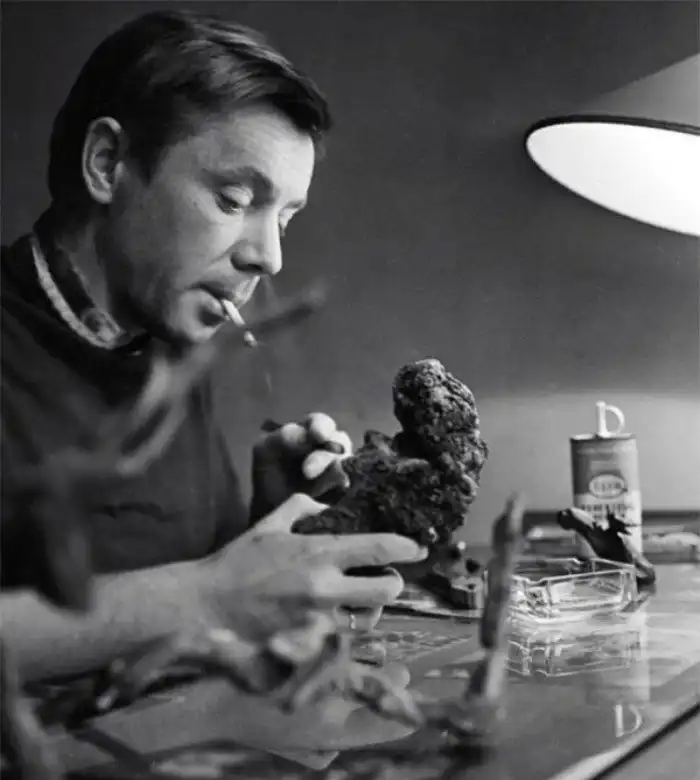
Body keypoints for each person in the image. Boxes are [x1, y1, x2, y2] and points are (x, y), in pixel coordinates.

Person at [0, 9, 426, 685]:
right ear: (107, 163)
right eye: (234, 199)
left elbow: (183, 595)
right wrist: (209, 595)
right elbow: (198, 595)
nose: (269, 257)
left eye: (285, 218)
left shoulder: (166, 340)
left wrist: (270, 532)